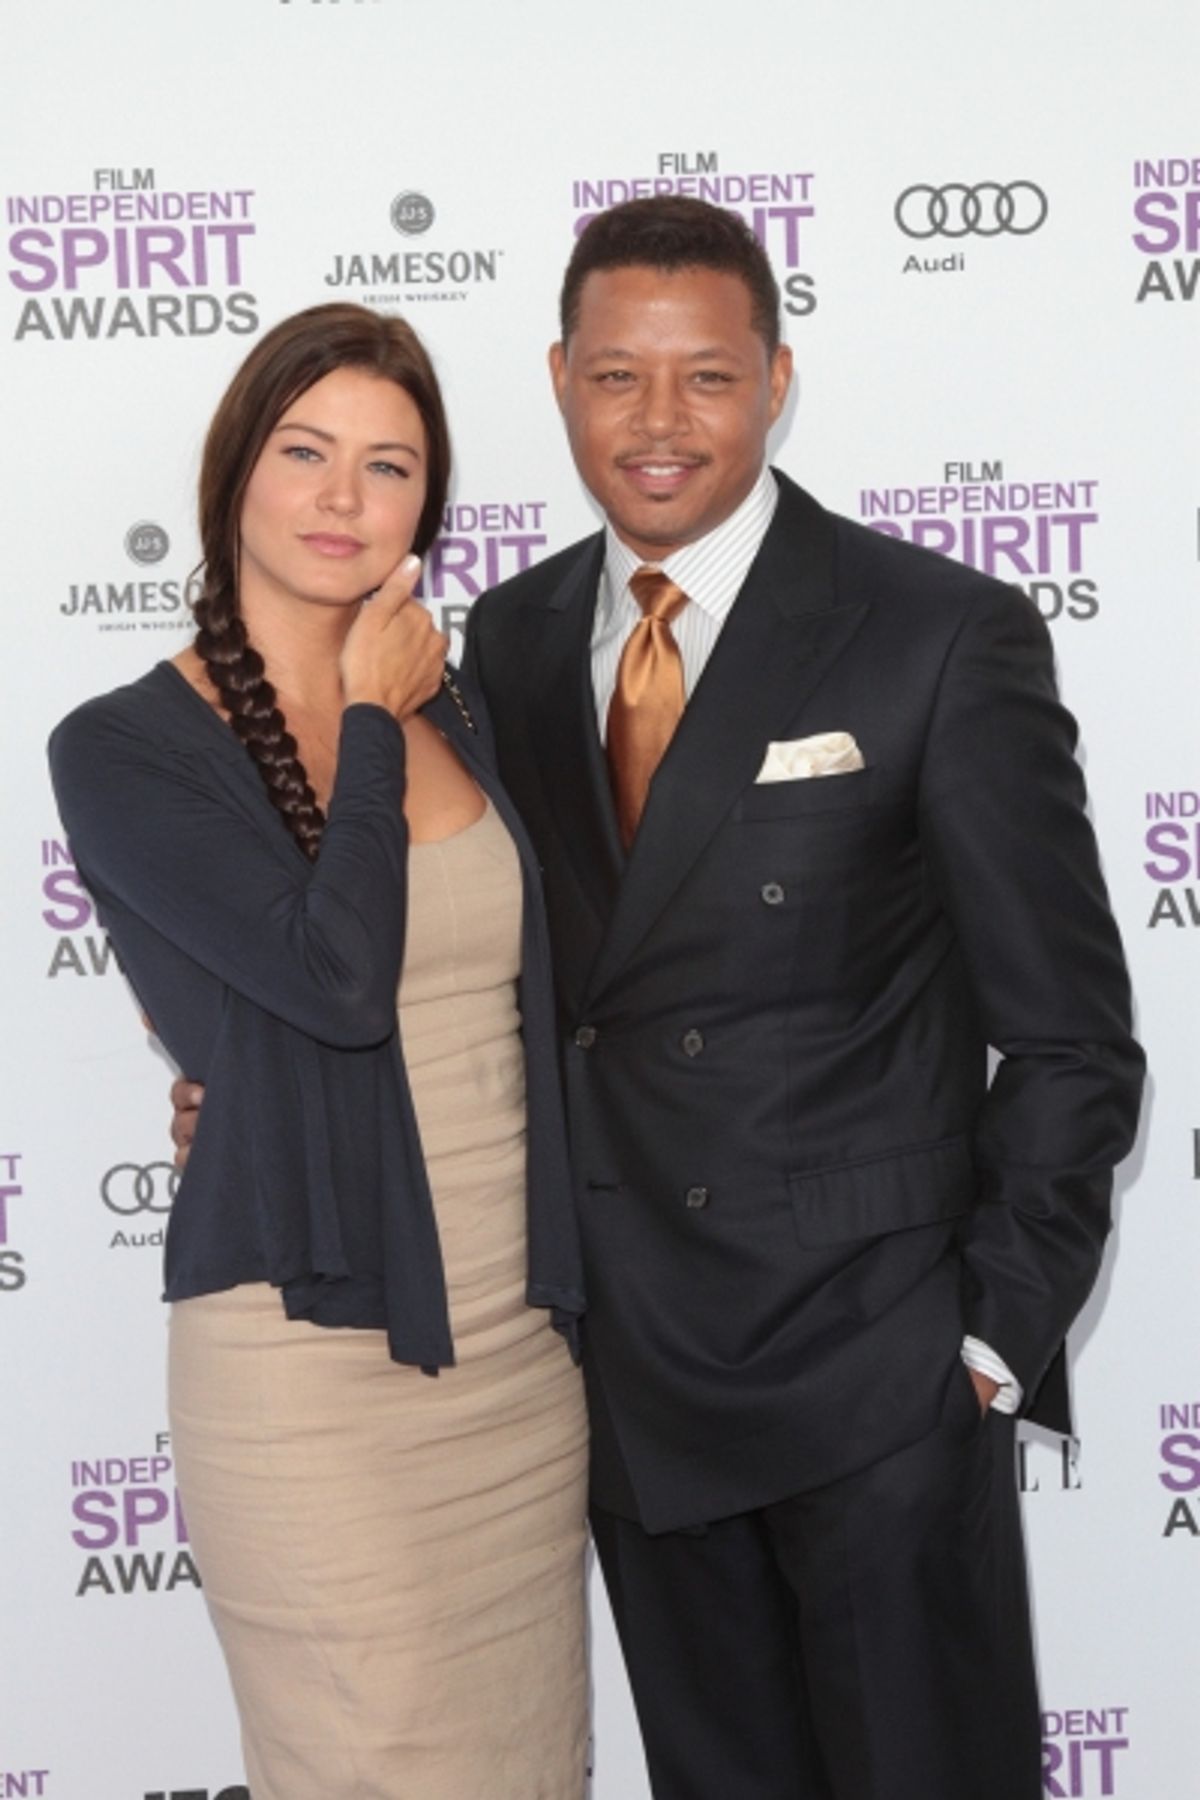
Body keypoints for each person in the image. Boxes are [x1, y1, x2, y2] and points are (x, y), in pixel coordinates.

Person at [172, 203, 1143, 1799]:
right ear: (558, 380)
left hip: (875, 1368)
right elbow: (486, 963)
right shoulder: (516, 634)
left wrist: (988, 1337)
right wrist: (270, 1083)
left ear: (777, 378)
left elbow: (1070, 1033)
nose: (660, 421)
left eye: (706, 378)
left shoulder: (938, 633)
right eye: (617, 376)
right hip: (629, 1377)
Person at [50, 303, 588, 1800]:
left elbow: (522, 995)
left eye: (392, 465)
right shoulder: (125, 745)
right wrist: (363, 708)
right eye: (306, 451)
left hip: (516, 1363)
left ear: (433, 503)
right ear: (235, 471)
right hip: (312, 1357)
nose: (345, 499)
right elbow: (337, 980)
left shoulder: (461, 706)